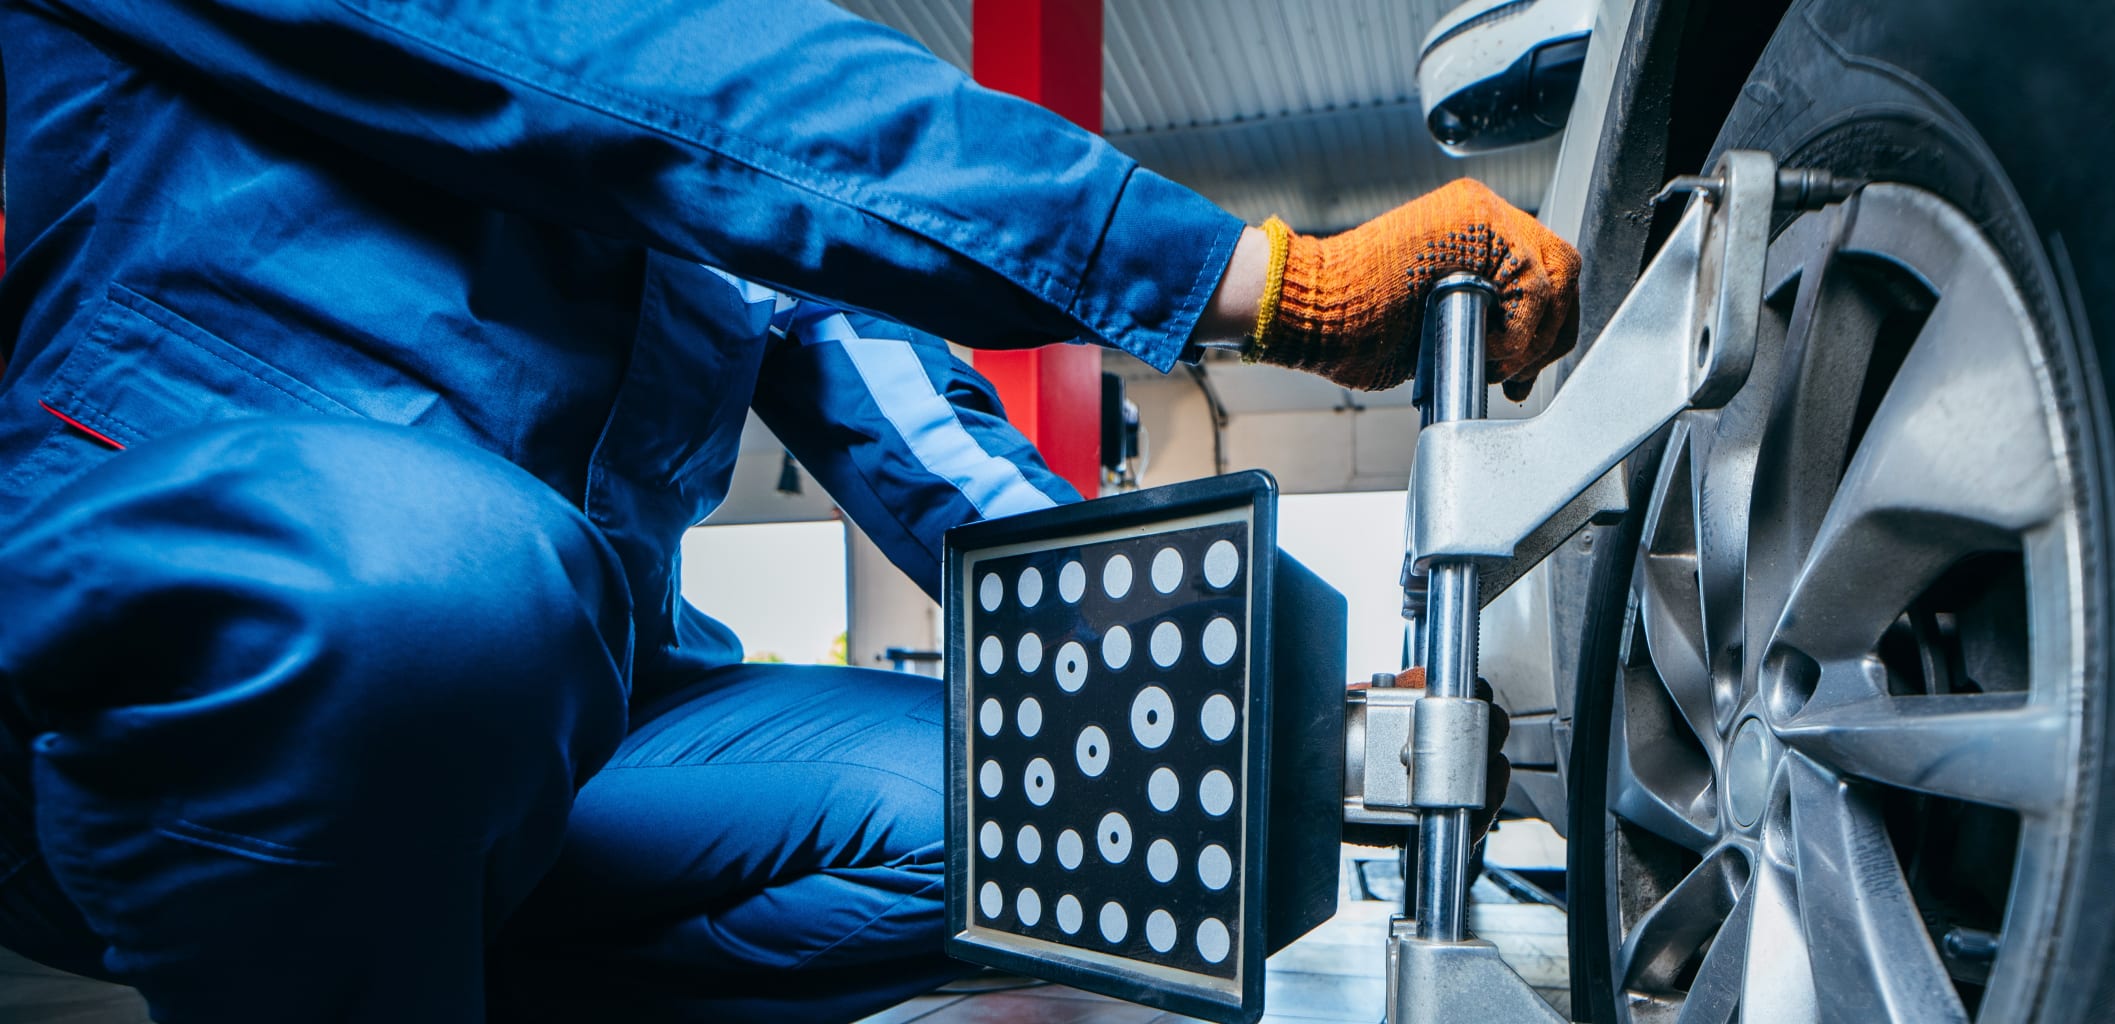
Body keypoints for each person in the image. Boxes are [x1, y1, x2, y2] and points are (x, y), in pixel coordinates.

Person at [0, 1, 1582, 1021]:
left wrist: (1199, 673)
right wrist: (1255, 281)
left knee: (1051, 834)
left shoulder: (718, 162)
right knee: (441, 589)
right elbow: (626, 80)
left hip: (582, 725)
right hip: (190, 683)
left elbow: (907, 417)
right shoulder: (662, 77)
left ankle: (426, 965)